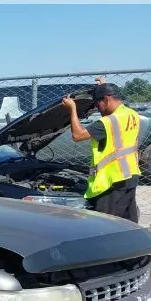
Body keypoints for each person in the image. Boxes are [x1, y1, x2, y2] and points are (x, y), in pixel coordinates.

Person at [62, 82, 141, 222]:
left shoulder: (108, 122)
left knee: (105, 225)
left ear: (106, 99)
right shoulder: (131, 114)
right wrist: (103, 86)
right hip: (130, 175)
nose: (98, 109)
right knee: (127, 221)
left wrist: (72, 109)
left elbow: (78, 135)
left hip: (112, 181)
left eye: (97, 104)